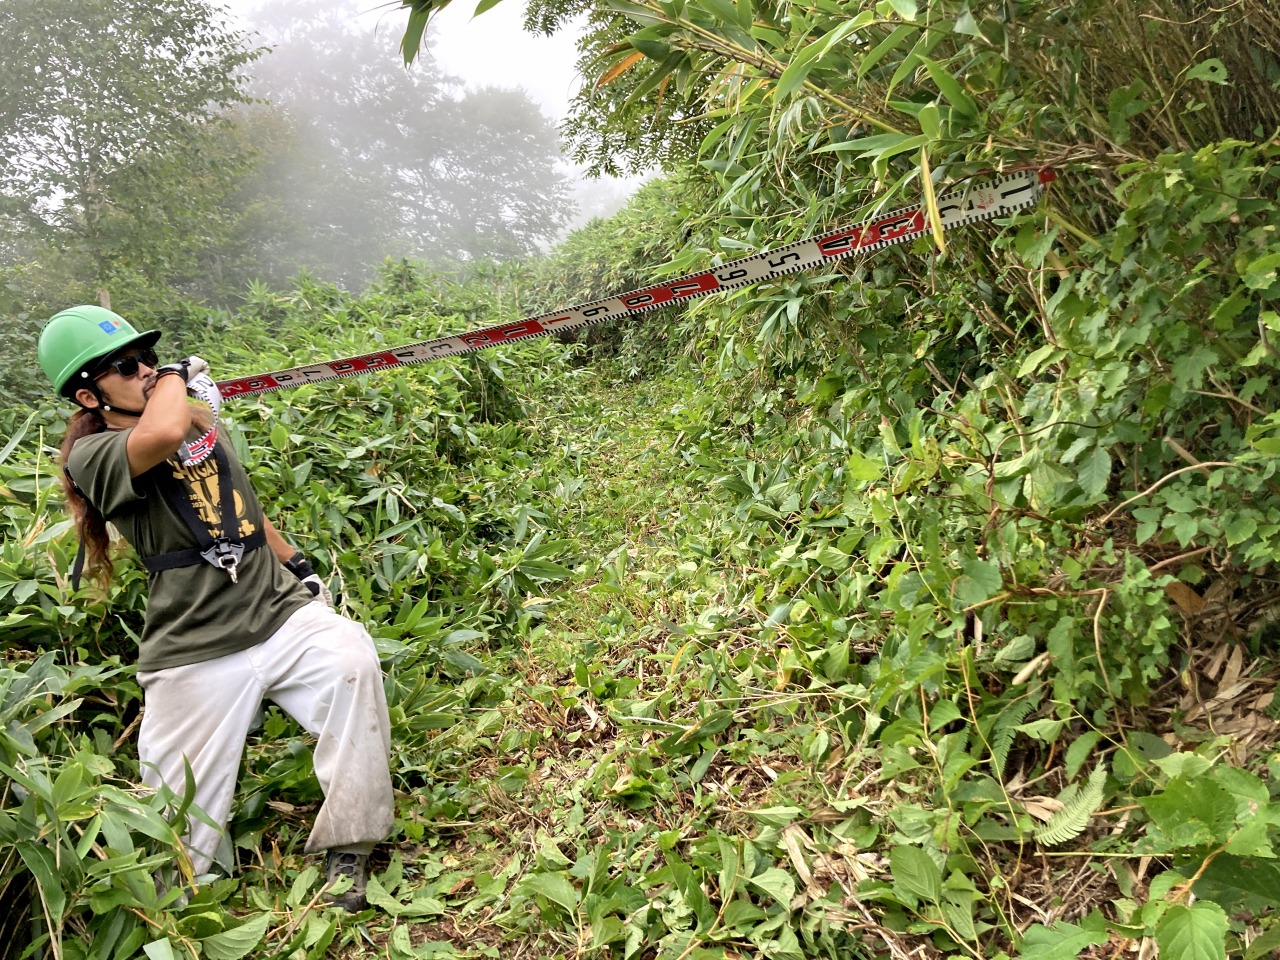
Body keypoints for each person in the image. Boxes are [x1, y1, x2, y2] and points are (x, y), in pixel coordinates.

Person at [37, 305, 394, 912]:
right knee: (176, 828)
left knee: (350, 661)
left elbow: (239, 507)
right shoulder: (93, 455)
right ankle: (179, 905)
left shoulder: (198, 421)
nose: (146, 370)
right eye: (128, 366)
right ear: (87, 395)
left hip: (274, 610)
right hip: (193, 643)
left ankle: (350, 845)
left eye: (149, 358)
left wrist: (298, 566)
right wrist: (174, 377)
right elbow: (161, 434)